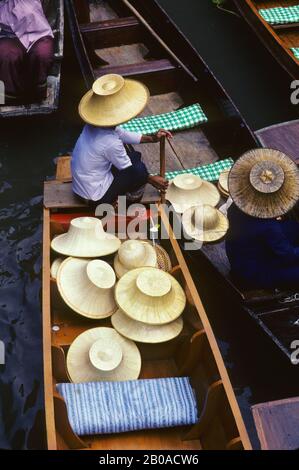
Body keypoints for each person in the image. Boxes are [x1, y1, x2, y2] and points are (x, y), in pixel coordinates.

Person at [72, 74, 170, 207]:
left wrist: (153, 138)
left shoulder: (93, 125)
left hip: (83, 186)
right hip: (95, 196)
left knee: (134, 156)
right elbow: (130, 171)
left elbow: (121, 133)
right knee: (140, 171)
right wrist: (151, 179)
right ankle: (127, 202)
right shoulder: (110, 142)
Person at [226, 148, 299, 290]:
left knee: (293, 227)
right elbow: (288, 256)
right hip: (255, 274)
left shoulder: (236, 207)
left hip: (238, 254)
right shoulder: (270, 228)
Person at [0, 0, 54, 103]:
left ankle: (38, 94)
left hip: (38, 33)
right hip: (10, 36)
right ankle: (10, 99)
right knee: (6, 56)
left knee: (42, 54)